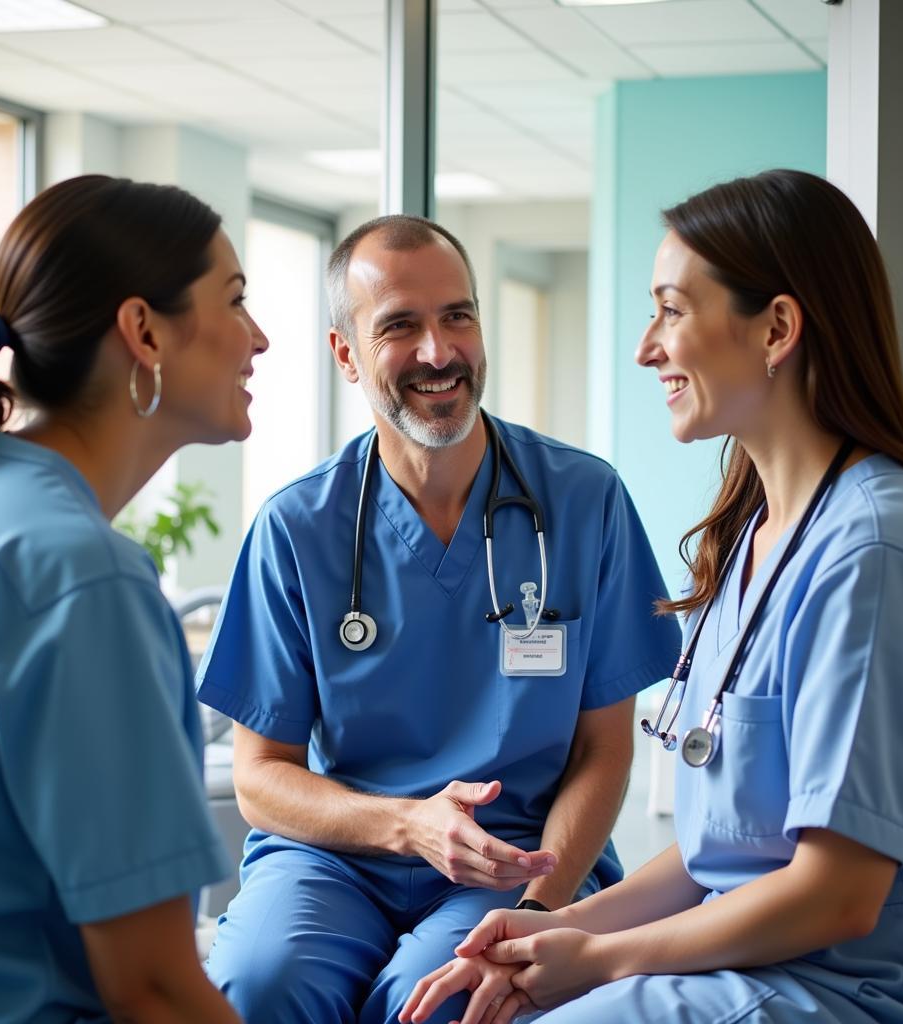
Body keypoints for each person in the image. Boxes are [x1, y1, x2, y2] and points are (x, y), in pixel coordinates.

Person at [400, 167, 903, 1024]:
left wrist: (602, 959)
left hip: (845, 990)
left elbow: (839, 895)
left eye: (671, 310)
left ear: (776, 329)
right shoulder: (759, 534)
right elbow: (712, 854)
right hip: (747, 961)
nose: (645, 347)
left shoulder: (873, 550)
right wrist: (552, 927)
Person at [195, 213, 681, 1023]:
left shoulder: (583, 500)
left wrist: (542, 900)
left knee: (440, 1004)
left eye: (458, 315)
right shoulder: (297, 527)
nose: (438, 351)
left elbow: (604, 746)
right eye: (400, 326)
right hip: (334, 859)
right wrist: (405, 825)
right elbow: (260, 776)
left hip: (518, 854)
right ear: (346, 354)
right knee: (259, 986)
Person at [0, 174, 269, 1023]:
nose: (257, 338)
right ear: (143, 330)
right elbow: (152, 990)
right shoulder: (80, 579)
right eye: (233, 300)